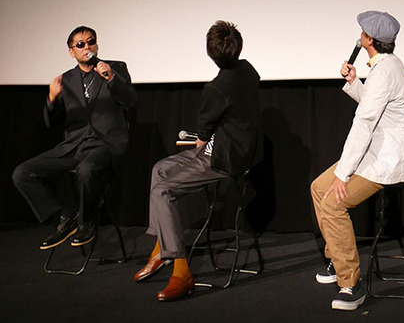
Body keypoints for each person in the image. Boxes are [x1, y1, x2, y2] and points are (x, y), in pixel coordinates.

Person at [134, 20, 262, 302]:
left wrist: (204, 138)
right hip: (239, 149)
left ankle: (181, 270)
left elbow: (202, 138)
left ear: (210, 53)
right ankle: (161, 248)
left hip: (225, 158)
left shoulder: (215, 88)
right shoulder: (248, 69)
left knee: (162, 190)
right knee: (159, 169)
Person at [310, 10, 404, 311]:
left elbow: (365, 122)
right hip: (377, 151)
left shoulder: (385, 70)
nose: (359, 35)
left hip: (388, 160)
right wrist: (355, 82)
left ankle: (351, 284)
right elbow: (375, 103)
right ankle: (337, 258)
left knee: (332, 202)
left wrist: (343, 175)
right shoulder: (386, 66)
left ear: (369, 40)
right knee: (318, 188)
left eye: (362, 32)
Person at [12, 25, 136, 249]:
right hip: (73, 145)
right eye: (81, 44)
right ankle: (65, 215)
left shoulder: (116, 68)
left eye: (91, 42)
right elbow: (52, 122)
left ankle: (85, 221)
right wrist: (51, 99)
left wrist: (111, 79)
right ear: (72, 51)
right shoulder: (66, 80)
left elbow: (130, 101)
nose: (87, 47)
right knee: (22, 173)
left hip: (105, 144)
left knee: (87, 170)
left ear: (96, 45)